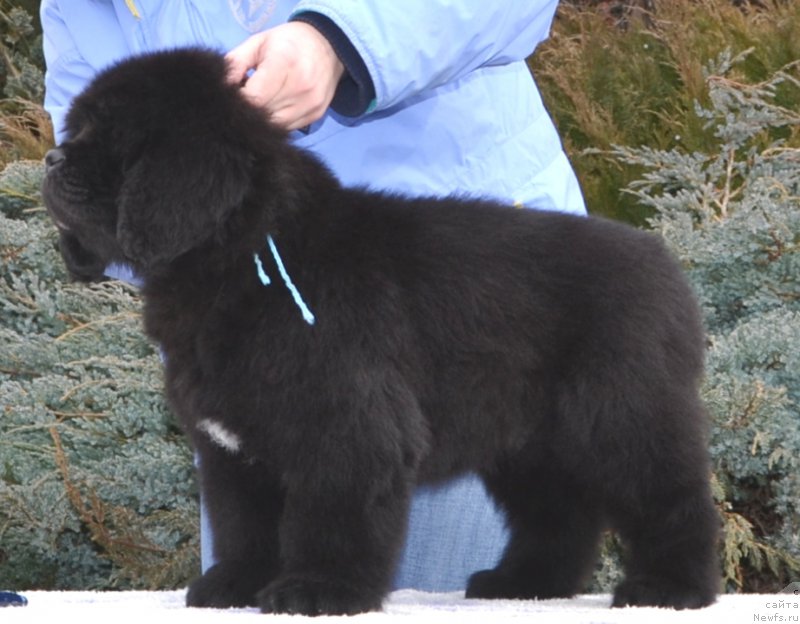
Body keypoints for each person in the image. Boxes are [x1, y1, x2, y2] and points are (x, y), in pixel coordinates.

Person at [40, 0, 586, 592]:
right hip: (237, 322)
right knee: (266, 584)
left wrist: (338, 40)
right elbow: (111, 169)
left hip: (454, 306)